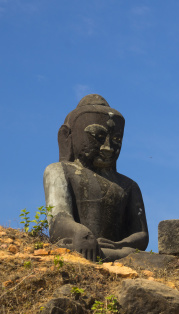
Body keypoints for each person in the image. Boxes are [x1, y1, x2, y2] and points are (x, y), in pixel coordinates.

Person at [43, 94, 149, 262]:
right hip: (77, 244)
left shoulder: (129, 185)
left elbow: (141, 234)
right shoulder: (59, 170)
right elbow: (58, 219)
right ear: (67, 136)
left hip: (117, 251)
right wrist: (80, 233)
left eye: (116, 139)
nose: (108, 148)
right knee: (70, 251)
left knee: (142, 258)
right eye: (98, 137)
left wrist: (119, 245)